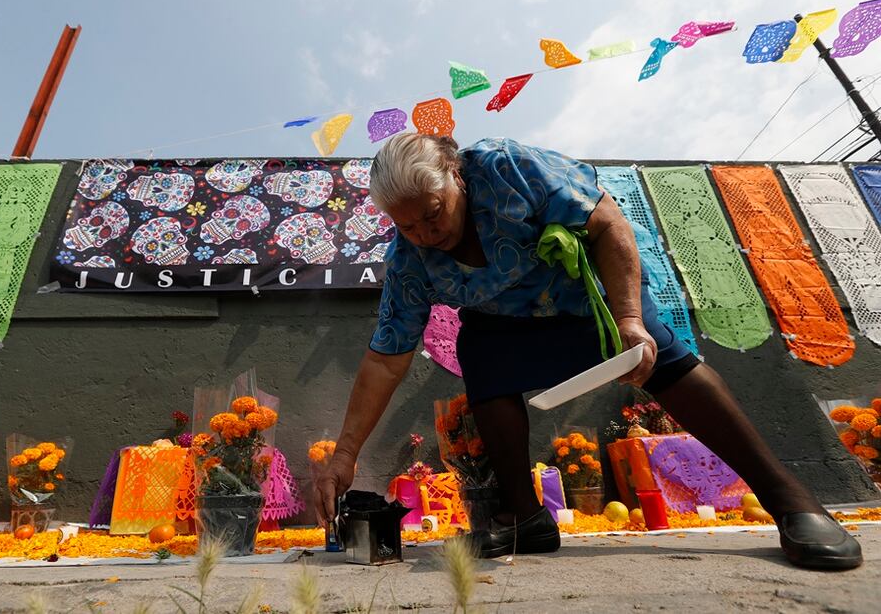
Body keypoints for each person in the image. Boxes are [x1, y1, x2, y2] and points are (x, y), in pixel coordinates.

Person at [313, 134, 863, 570]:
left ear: (455, 176)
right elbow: (386, 357)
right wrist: (345, 455)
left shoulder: (507, 169)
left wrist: (629, 320)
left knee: (665, 362)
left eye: (432, 214)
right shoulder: (408, 260)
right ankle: (524, 517)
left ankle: (790, 501)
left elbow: (608, 223)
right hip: (504, 325)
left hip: (588, 297)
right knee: (480, 358)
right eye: (406, 225)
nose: (424, 233)